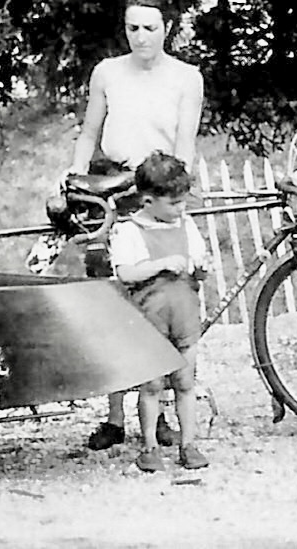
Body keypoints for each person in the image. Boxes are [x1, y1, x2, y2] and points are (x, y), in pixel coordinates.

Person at [66, 0, 205, 449]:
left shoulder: (187, 78)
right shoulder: (107, 72)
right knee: (110, 297)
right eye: (132, 28)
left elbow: (184, 144)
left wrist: (175, 193)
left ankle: (159, 411)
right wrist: (74, 177)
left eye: (149, 27)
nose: (140, 36)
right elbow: (88, 132)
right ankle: (113, 416)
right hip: (110, 186)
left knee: (159, 296)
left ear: (167, 28)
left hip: (159, 185)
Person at [108, 151, 210, 471]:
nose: (181, 209)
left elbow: (198, 269)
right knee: (151, 386)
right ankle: (150, 445)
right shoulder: (130, 231)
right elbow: (126, 273)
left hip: (184, 317)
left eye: (183, 202)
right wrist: (160, 264)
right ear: (149, 201)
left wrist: (202, 269)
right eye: (174, 203)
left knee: (185, 382)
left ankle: (189, 443)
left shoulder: (187, 226)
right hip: (151, 323)